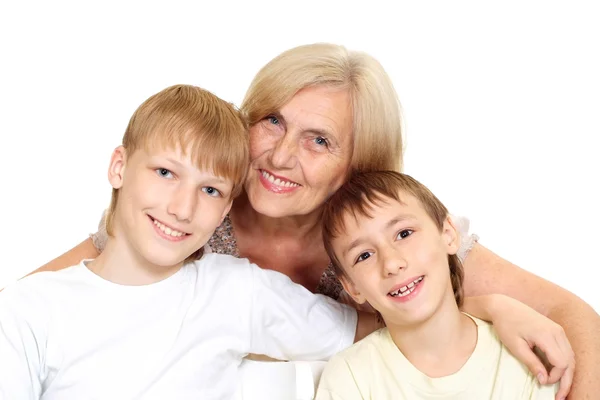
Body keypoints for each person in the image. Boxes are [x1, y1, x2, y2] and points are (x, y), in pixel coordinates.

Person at [33, 43, 596, 396]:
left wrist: (491, 306)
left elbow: (573, 316)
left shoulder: (381, 237)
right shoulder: (191, 216)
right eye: (272, 120)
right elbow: (43, 302)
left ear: (358, 165)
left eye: (318, 140)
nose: (280, 156)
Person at [0, 84, 380, 399]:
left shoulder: (237, 291)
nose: (182, 209)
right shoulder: (29, 309)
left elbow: (380, 329)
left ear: (225, 208)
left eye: (210, 190)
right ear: (119, 167)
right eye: (165, 172)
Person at [316, 170, 559, 399]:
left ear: (449, 235)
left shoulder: (523, 356)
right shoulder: (350, 377)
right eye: (364, 256)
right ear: (352, 287)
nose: (391, 263)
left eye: (404, 234)